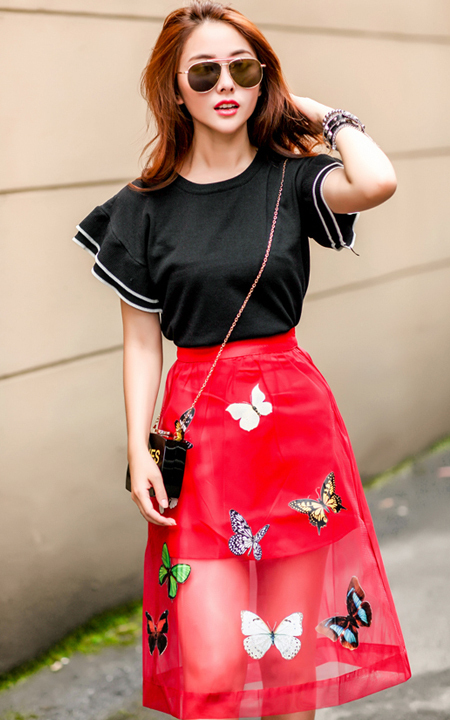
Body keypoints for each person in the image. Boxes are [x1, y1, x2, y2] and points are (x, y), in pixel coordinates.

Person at [73, 2, 411, 718]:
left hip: (292, 428)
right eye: (204, 72)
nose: (225, 84)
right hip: (199, 438)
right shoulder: (141, 209)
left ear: (263, 81)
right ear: (175, 89)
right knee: (215, 663)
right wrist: (137, 449)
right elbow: (142, 341)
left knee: (288, 661)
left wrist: (321, 114)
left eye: (243, 69)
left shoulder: (291, 180)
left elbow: (377, 181)